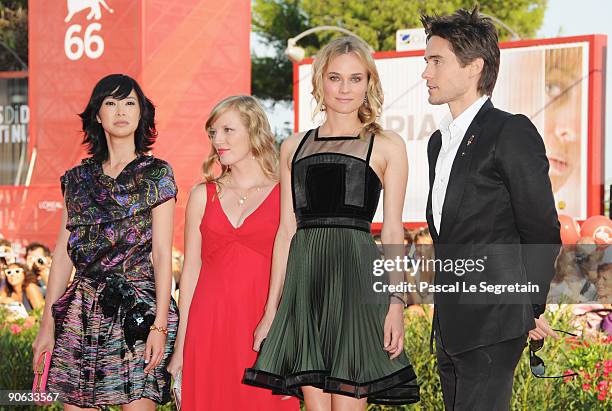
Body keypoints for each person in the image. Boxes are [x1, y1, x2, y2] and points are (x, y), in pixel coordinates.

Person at [243, 36, 420, 410]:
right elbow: (286, 232)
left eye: (356, 79)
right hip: (306, 287)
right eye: (335, 77)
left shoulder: (387, 145)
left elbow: (391, 232)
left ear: (369, 83)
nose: (345, 88)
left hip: (357, 286)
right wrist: (271, 310)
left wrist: (396, 302)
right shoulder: (293, 146)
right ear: (320, 81)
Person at [421, 8, 562, 410]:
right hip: (450, 327)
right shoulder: (437, 143)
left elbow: (541, 230)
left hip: (493, 324)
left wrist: (529, 307)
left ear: (474, 67)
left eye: (436, 61)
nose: (425, 73)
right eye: (426, 62)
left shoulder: (510, 131)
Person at [31, 74, 178, 410]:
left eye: (129, 103)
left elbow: (161, 252)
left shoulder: (157, 174)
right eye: (110, 103)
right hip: (83, 309)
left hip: (138, 308)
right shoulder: (78, 180)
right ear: (97, 115)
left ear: (142, 113)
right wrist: (46, 326)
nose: (120, 110)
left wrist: (159, 326)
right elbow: (63, 255)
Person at [166, 95, 298, 410]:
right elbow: (191, 272)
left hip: (262, 327)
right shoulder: (202, 195)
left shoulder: (284, 194)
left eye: (228, 130)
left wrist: (284, 332)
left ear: (254, 133)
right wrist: (181, 347)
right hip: (207, 328)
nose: (217, 140)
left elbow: (295, 269)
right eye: (213, 132)